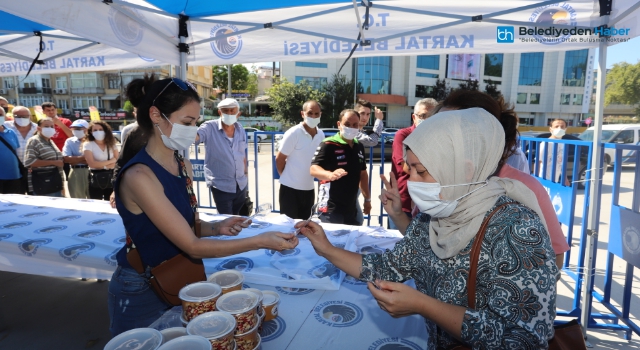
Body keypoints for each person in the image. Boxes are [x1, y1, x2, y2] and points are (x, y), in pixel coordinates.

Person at [297, 108, 558, 349]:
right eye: (409, 170)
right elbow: (387, 267)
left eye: (421, 171)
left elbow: (525, 338)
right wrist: (326, 248)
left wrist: (424, 305)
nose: (411, 182)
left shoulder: (517, 228)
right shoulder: (433, 216)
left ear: (464, 170)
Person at [109, 76, 298, 336]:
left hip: (178, 278)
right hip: (141, 286)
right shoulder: (140, 177)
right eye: (187, 122)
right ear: (155, 115)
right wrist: (260, 241)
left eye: (195, 122)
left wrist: (215, 227)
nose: (192, 129)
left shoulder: (181, 164)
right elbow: (192, 245)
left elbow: (184, 225)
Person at [437, 89, 570, 269]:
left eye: (447, 131)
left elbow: (555, 258)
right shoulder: (431, 179)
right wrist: (398, 214)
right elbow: (421, 241)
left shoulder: (525, 187)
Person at [310, 109, 371, 225]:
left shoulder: (359, 146)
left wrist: (367, 199)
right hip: (330, 209)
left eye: (354, 125)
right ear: (339, 125)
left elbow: (363, 175)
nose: (351, 128)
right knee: (329, 241)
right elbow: (313, 169)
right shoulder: (328, 144)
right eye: (347, 124)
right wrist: (330, 175)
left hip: (351, 208)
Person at [389, 98, 437, 229]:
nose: (427, 120)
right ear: (414, 117)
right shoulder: (403, 135)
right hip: (404, 204)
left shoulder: (438, 138)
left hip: (429, 204)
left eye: (432, 117)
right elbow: (407, 167)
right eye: (423, 116)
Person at [195, 98, 248, 215]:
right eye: (226, 111)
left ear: (238, 113)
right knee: (226, 221)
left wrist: (245, 175)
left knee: (238, 220)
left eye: (232, 111)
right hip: (221, 185)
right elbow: (197, 137)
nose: (229, 114)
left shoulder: (240, 129)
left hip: (240, 185)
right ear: (220, 112)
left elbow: (242, 155)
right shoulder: (209, 127)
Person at [276, 100, 325, 219]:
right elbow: (280, 159)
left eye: (316, 114)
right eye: (310, 113)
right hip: (289, 190)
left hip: (308, 190)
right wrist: (287, 177)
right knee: (288, 228)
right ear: (303, 114)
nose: (313, 116)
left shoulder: (321, 135)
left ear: (320, 114)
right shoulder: (293, 133)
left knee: (305, 227)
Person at [352, 99, 384, 225]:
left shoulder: (360, 131)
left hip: (355, 180)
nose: (364, 117)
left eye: (367, 114)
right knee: (357, 220)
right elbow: (372, 141)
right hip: (348, 182)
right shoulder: (353, 132)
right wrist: (379, 120)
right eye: (361, 113)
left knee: (357, 220)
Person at [24, 118, 65, 197]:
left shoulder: (50, 141)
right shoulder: (34, 141)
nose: (50, 128)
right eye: (46, 126)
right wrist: (53, 162)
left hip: (54, 181)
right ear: (39, 128)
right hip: (42, 183)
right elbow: (29, 162)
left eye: (52, 126)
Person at [3, 106, 37, 194]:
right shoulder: (6, 127)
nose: (21, 119)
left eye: (25, 116)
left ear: (30, 116)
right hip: (14, 171)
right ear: (13, 116)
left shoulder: (37, 128)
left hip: (34, 170)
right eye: (18, 116)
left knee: (35, 197)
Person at [83, 121, 119, 200]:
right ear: (91, 132)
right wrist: (109, 163)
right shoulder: (88, 144)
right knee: (95, 202)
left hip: (111, 177)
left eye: (100, 129)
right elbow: (92, 164)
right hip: (95, 178)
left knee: (111, 201)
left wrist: (101, 164)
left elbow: (117, 160)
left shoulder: (112, 144)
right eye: (95, 130)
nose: (98, 132)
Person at [41, 102, 72, 180]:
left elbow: (71, 136)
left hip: (64, 154)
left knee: (69, 178)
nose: (51, 112)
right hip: (49, 156)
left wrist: (59, 123)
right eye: (48, 110)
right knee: (53, 179)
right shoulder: (41, 123)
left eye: (53, 110)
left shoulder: (66, 121)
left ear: (56, 110)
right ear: (43, 111)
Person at [62, 119, 90, 199]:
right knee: (77, 199)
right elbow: (66, 159)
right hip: (76, 172)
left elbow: (98, 159)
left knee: (94, 198)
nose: (75, 131)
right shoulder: (69, 141)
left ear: (87, 129)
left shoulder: (94, 140)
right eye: (73, 129)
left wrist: (75, 160)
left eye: (78, 129)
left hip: (91, 171)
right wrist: (87, 158)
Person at [539, 118, 569, 185]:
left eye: (562, 127)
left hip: (555, 180)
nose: (559, 128)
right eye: (556, 126)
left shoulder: (563, 144)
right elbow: (539, 162)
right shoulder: (546, 143)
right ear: (550, 129)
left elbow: (561, 162)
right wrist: (536, 180)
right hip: (544, 180)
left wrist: (565, 178)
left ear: (565, 129)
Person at [0, 107, 22, 194]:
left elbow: (16, 151)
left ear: (5, 117)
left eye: (0, 115)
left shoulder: (11, 132)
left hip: (14, 176)